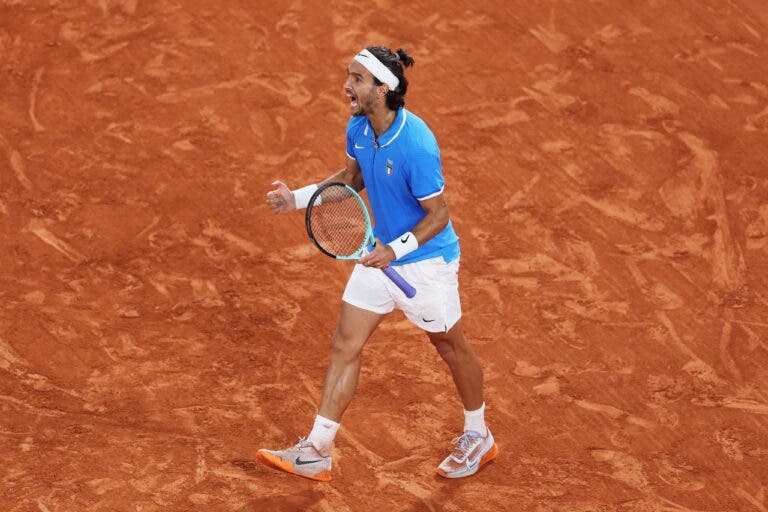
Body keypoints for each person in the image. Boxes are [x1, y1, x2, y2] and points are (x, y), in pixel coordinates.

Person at [257, 46, 497, 482]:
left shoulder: (417, 143)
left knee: (450, 347)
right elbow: (352, 178)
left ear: (384, 89)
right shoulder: (359, 128)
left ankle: (478, 434)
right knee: (345, 342)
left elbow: (439, 215)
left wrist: (396, 250)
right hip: (380, 258)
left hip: (425, 263)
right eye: (348, 76)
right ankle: (317, 450)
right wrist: (295, 199)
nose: (347, 86)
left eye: (358, 79)